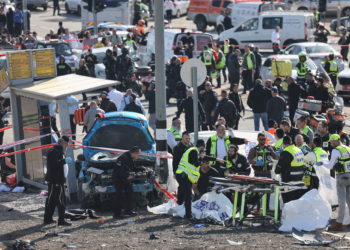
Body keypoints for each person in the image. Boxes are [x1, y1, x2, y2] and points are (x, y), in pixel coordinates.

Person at [323, 134, 350, 231]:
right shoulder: (347, 148)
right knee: (349, 200)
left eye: (331, 142)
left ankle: (339, 222)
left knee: (341, 201)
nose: (330, 143)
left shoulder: (335, 150)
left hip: (341, 177)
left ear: (335, 141)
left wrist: (322, 163)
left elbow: (330, 166)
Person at [44, 136, 72, 226]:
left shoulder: (59, 151)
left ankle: (48, 219)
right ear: (63, 143)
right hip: (55, 180)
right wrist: (64, 161)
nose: (67, 146)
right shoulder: (54, 151)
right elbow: (54, 164)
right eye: (66, 144)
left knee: (52, 200)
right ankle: (61, 220)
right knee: (60, 200)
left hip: (58, 179)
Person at [175, 144, 208, 219]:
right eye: (203, 152)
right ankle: (188, 215)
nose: (203, 154)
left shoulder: (191, 150)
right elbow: (195, 163)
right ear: (200, 148)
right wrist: (201, 160)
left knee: (185, 193)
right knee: (188, 195)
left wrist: (216, 159)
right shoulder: (194, 151)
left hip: (182, 175)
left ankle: (184, 210)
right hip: (183, 175)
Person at [112, 146, 141, 219]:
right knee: (119, 196)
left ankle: (128, 210)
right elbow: (119, 171)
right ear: (134, 153)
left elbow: (132, 168)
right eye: (138, 154)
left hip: (125, 179)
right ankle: (116, 214)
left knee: (130, 193)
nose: (139, 156)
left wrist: (142, 169)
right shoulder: (123, 158)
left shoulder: (130, 157)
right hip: (118, 179)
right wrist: (127, 176)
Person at [275, 136, 306, 203]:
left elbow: (278, 169)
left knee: (288, 201)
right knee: (296, 201)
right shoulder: (298, 150)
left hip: (289, 181)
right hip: (299, 179)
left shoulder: (286, 152)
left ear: (283, 144)